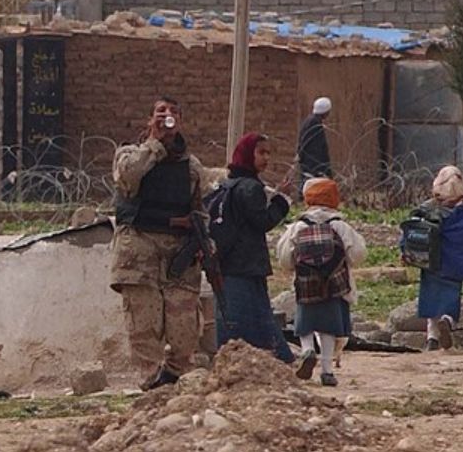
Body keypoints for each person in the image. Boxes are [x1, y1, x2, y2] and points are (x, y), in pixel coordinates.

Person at [111, 97, 220, 390]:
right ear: (150, 119)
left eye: (173, 113)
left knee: (184, 327)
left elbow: (201, 207)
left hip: (178, 255)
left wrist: (202, 239)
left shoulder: (190, 166)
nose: (167, 116)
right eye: (161, 112)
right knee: (144, 324)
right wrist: (155, 144)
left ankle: (173, 376)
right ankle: (151, 382)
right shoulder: (130, 154)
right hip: (139, 251)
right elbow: (128, 178)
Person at [210, 132, 293, 361]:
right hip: (246, 265)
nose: (266, 158)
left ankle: (239, 361)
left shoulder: (227, 185)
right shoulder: (250, 188)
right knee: (257, 319)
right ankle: (277, 360)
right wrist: (281, 201)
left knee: (234, 319)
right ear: (248, 154)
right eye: (261, 152)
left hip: (229, 264)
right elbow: (262, 222)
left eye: (268, 153)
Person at [276, 177, 366, 387]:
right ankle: (327, 370)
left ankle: (307, 350)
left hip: (305, 285)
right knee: (328, 328)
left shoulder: (298, 226)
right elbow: (358, 255)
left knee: (305, 324)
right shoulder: (340, 226)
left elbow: (285, 259)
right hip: (335, 285)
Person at [417, 166, 463, 351]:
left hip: (429, 260)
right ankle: (447, 320)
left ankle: (431, 338)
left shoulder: (426, 208)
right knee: (451, 295)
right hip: (454, 261)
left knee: (430, 297)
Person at [298, 97, 334, 181]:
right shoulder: (315, 124)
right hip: (314, 166)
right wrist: (325, 170)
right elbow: (319, 149)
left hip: (307, 164)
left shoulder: (309, 121)